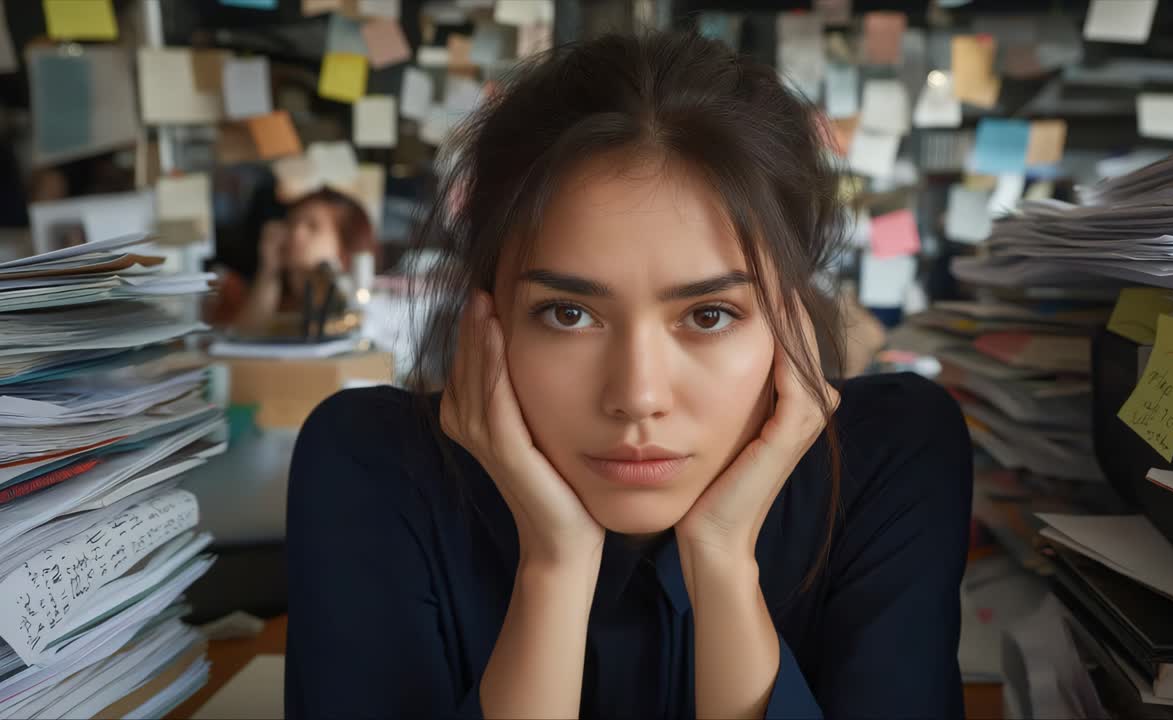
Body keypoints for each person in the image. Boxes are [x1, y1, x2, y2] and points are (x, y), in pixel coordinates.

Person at [286, 31, 972, 719]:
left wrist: (725, 564)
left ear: (789, 318)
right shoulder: (373, 462)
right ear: (483, 317)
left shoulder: (891, 455)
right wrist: (553, 570)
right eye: (567, 314)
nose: (637, 396)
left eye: (708, 315)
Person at [210, 187, 374, 333]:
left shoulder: (356, 304)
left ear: (344, 245)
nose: (295, 232)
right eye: (291, 222)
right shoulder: (253, 296)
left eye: (312, 226)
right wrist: (268, 271)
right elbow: (243, 341)